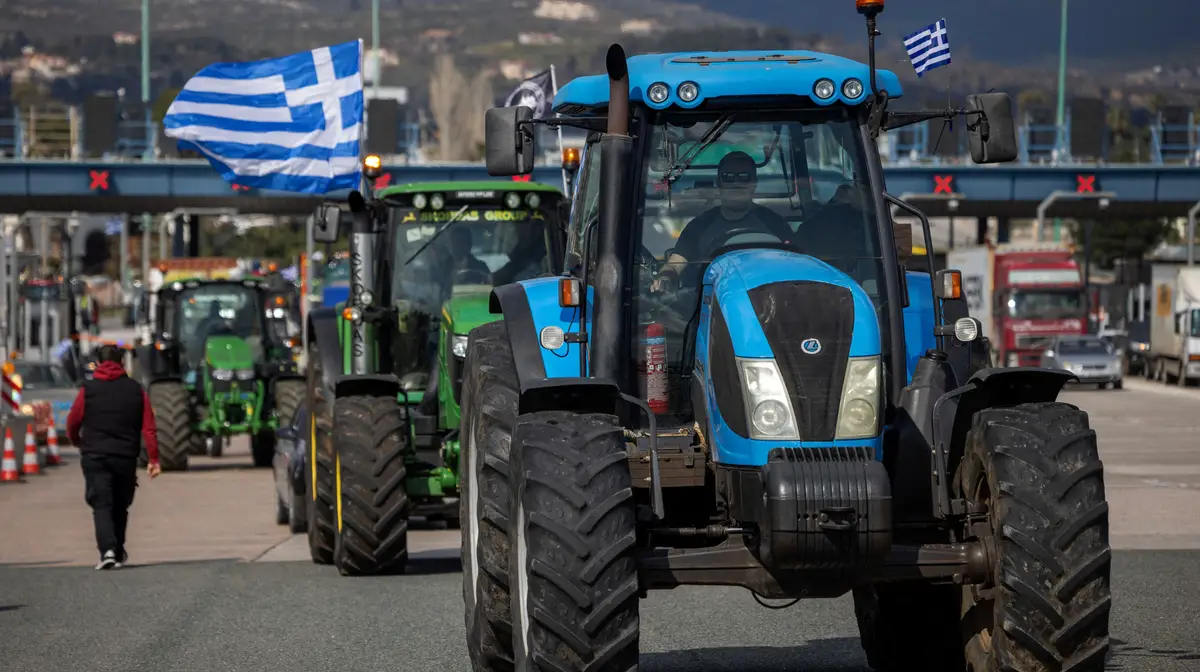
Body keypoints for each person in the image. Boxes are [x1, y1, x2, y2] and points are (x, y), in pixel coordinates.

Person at [65, 344, 160, 570]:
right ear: (122, 363)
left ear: (98, 363)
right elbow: (149, 427)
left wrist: (78, 442)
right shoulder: (135, 390)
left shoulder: (88, 390)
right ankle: (117, 550)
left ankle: (107, 550)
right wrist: (154, 459)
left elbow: (72, 422)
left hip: (95, 455)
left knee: (101, 503)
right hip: (125, 457)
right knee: (120, 504)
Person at [651, 151, 792, 292]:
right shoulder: (699, 226)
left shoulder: (775, 224)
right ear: (719, 183)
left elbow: (794, 263)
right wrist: (665, 278)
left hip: (766, 298)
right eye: (728, 177)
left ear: (754, 183)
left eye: (744, 177)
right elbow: (675, 265)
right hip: (705, 304)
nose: (736, 183)